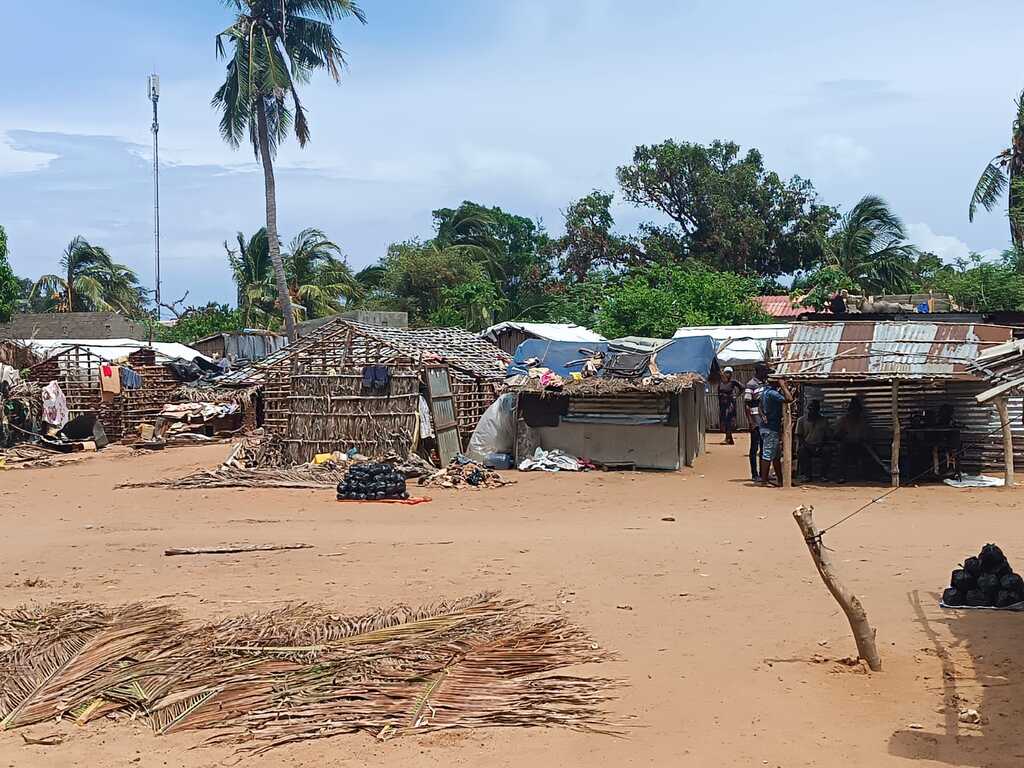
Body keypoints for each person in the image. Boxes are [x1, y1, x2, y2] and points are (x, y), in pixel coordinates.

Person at [758, 377, 793, 486]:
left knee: (776, 455)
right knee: (768, 454)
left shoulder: (765, 391)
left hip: (767, 427)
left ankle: (781, 480)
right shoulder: (773, 393)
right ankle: (764, 481)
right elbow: (789, 399)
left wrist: (763, 415)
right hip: (771, 428)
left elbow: (759, 406)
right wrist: (783, 386)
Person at [835, 397, 873, 483]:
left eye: (856, 411)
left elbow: (867, 436)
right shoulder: (843, 420)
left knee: (868, 452)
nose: (854, 413)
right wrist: (843, 435)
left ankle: (866, 476)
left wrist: (862, 439)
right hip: (846, 445)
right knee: (842, 450)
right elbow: (836, 436)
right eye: (852, 410)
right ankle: (841, 476)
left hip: (859, 445)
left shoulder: (862, 421)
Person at [744, 363, 770, 481]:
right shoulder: (751, 384)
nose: (766, 373)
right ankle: (754, 474)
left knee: (764, 447)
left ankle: (763, 473)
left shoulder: (765, 384)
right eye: (765, 371)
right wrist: (751, 422)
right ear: (759, 371)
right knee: (754, 448)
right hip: (756, 420)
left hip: (764, 421)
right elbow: (747, 404)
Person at [796, 400, 832, 482]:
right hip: (807, 445)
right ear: (808, 409)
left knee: (828, 451)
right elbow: (799, 436)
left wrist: (820, 445)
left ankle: (823, 475)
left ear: (818, 410)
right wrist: (808, 446)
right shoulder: (801, 420)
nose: (812, 411)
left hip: (820, 445)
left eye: (815, 409)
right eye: (811, 408)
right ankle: (807, 475)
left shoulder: (824, 420)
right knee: (802, 451)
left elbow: (827, 436)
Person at [717, 366, 743, 445]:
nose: (728, 374)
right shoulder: (721, 382)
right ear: (724, 373)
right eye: (727, 373)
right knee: (724, 421)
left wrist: (736, 396)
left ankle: (727, 438)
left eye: (730, 373)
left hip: (730, 404)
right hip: (722, 404)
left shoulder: (733, 382)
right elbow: (719, 393)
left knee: (728, 420)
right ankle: (730, 439)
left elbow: (742, 388)